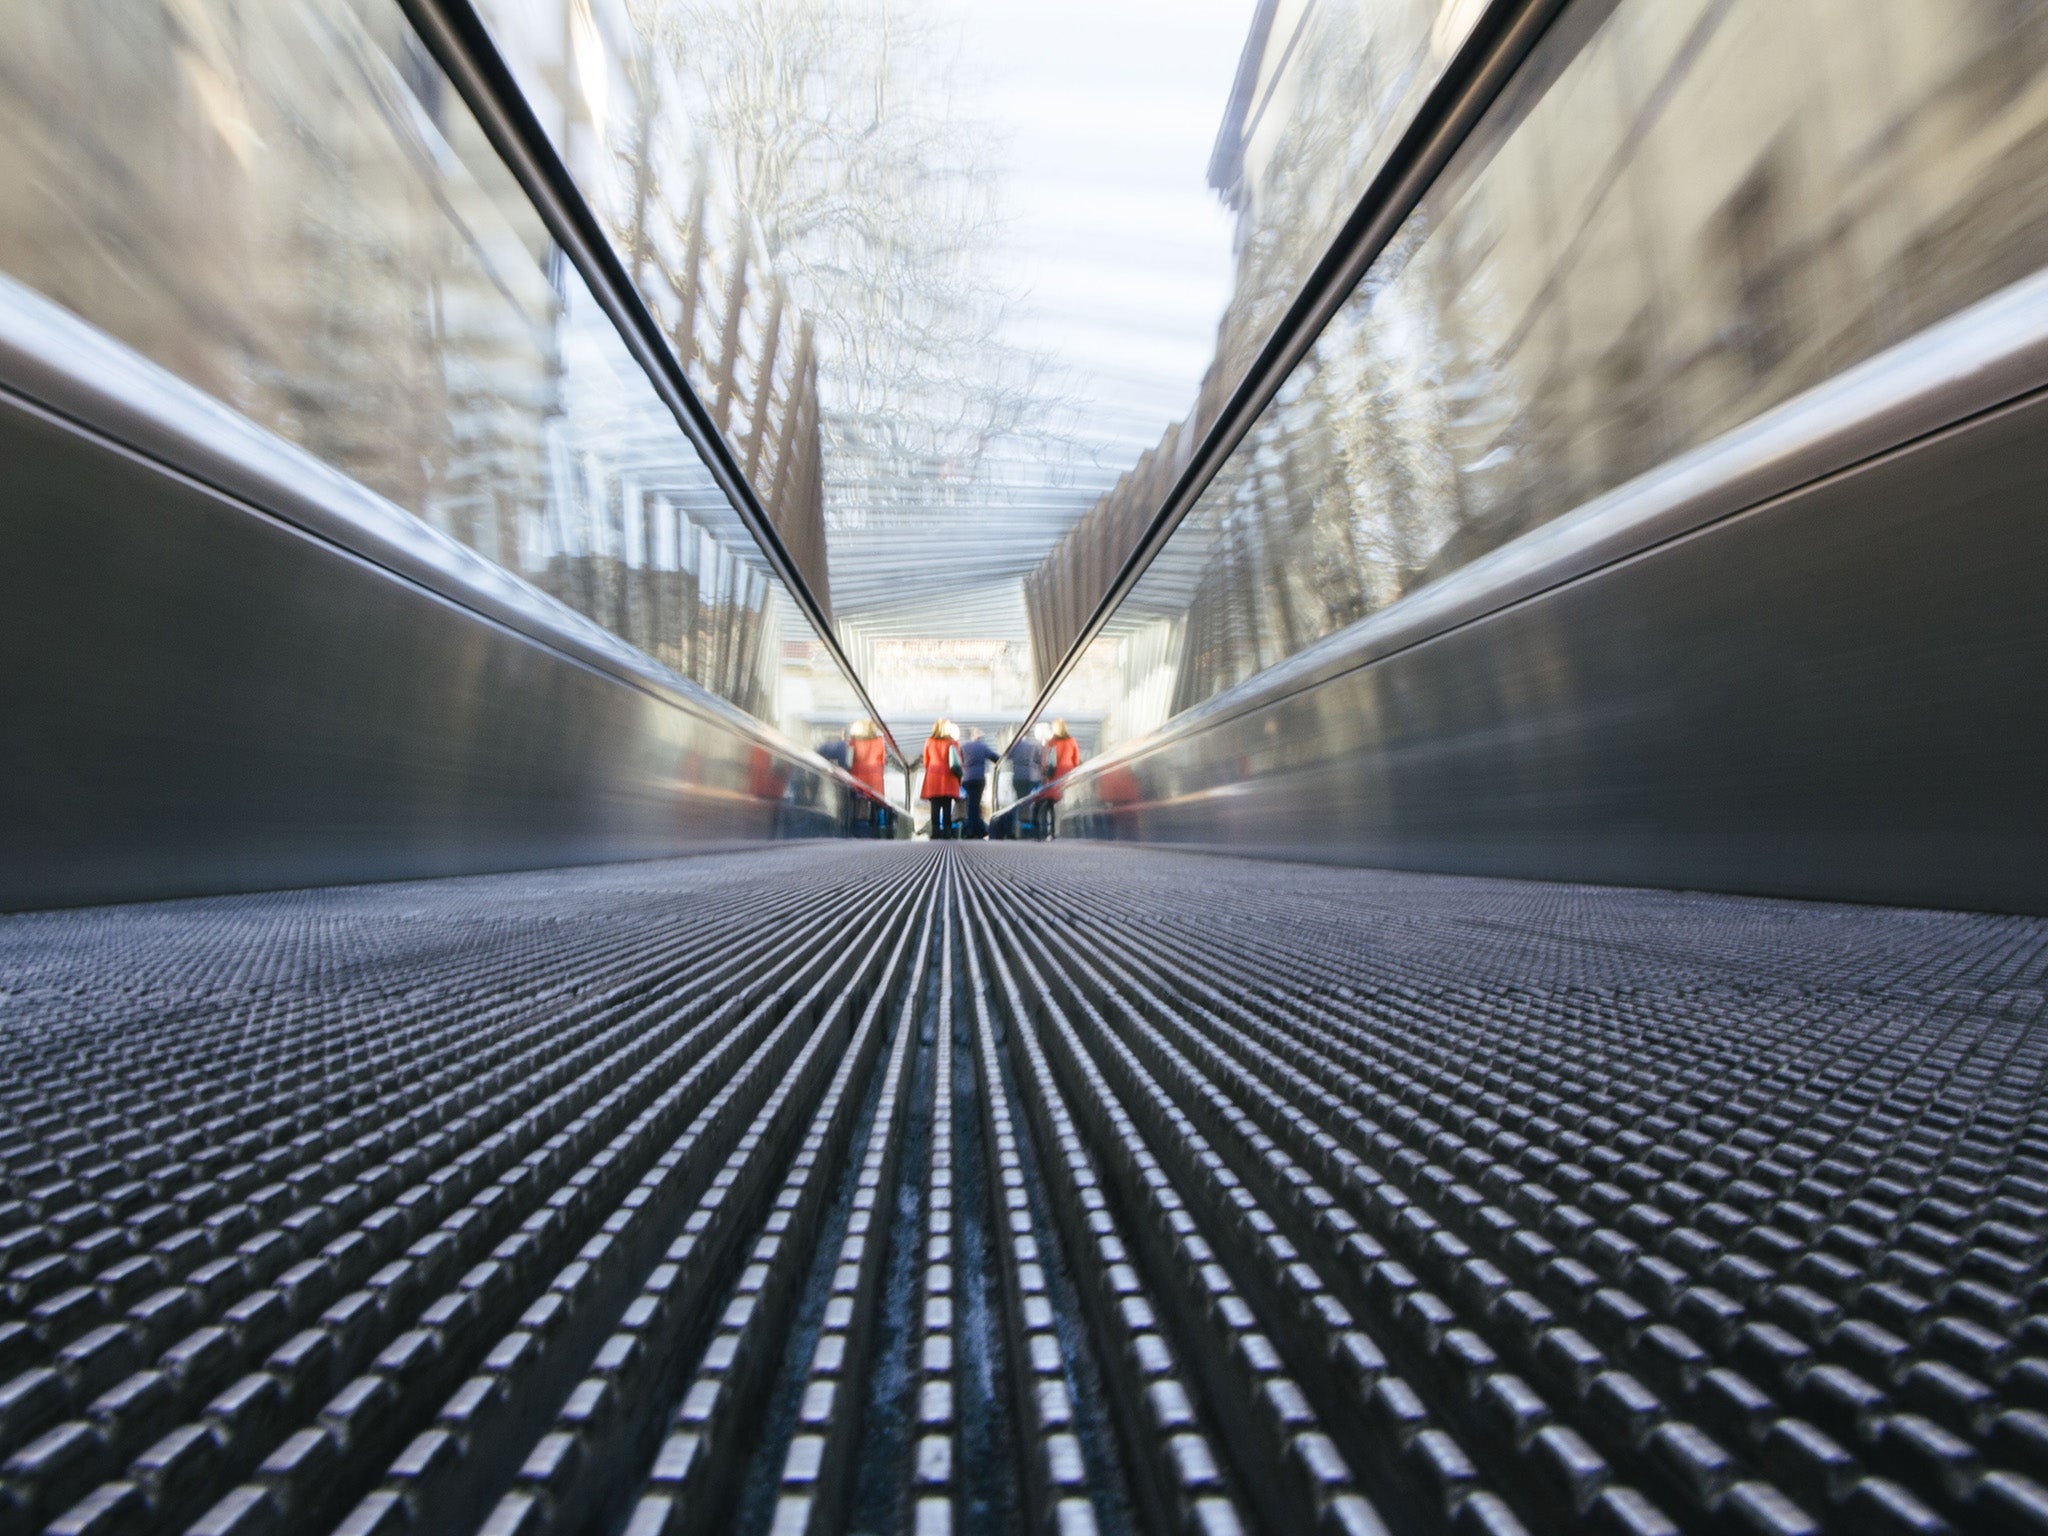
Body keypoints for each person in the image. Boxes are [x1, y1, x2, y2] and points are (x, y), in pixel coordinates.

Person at [921, 719, 963, 838]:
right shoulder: (952, 743)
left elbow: (926, 761)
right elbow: (957, 761)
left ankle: (935, 833)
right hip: (948, 777)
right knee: (947, 806)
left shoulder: (929, 741)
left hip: (933, 776)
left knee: (935, 806)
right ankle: (947, 832)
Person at [1042, 719, 1081, 839]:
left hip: (1053, 777)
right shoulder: (1072, 741)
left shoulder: (1051, 742)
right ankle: (1070, 830)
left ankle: (1051, 831)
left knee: (1050, 805)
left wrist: (1044, 775)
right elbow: (1076, 760)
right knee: (1067, 804)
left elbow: (1045, 761)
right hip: (1068, 775)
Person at [958, 728, 999, 838]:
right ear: (978, 736)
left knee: (970, 805)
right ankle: (976, 830)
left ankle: (971, 830)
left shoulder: (963, 747)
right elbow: (996, 758)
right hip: (979, 779)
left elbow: (958, 761)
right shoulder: (982, 746)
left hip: (967, 779)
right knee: (975, 804)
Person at [849, 720, 888, 833]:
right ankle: (874, 830)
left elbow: (848, 760)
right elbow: (882, 760)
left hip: (857, 776)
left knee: (858, 805)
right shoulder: (879, 741)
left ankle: (858, 830)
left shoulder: (851, 742)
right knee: (875, 805)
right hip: (875, 778)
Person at [1006, 728, 1041, 838]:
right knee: (1027, 802)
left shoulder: (1015, 745)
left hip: (1017, 777)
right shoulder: (1032, 746)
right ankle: (1026, 828)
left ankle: (1015, 828)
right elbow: (1038, 760)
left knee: (1018, 801)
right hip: (1028, 777)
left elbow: (1007, 757)